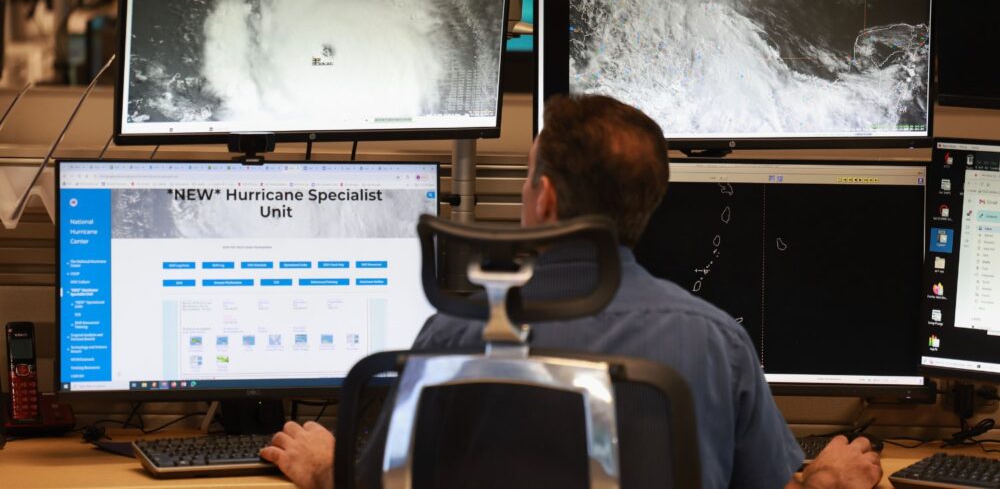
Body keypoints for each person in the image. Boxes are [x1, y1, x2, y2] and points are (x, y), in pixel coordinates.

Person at [261, 94, 882, 489]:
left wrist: (322, 465)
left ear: (546, 198)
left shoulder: (453, 336)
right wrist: (829, 478)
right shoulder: (718, 344)